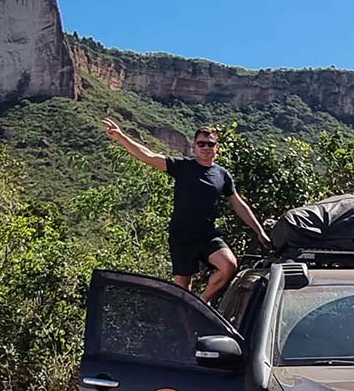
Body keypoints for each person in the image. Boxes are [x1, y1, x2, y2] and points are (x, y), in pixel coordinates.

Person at [102, 117, 270, 303]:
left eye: (210, 143)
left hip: (207, 235)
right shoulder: (182, 167)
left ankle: (202, 303)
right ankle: (188, 322)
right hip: (182, 236)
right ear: (194, 147)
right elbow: (148, 156)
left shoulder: (223, 175)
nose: (206, 147)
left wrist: (260, 231)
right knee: (183, 288)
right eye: (201, 144)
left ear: (217, 147)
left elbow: (238, 204)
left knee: (228, 265)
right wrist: (121, 137)